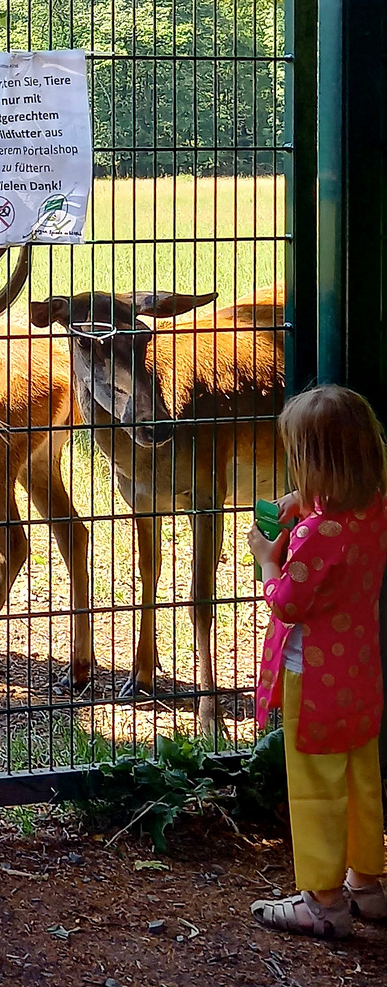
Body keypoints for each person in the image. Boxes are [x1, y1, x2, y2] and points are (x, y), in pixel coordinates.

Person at [248, 384, 387, 938]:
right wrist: (304, 502)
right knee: (360, 775)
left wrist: (265, 558)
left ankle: (322, 901)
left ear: (315, 463)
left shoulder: (315, 535)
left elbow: (286, 601)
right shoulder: (373, 510)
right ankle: (367, 885)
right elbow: (335, 520)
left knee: (315, 785)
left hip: (314, 681)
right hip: (360, 674)